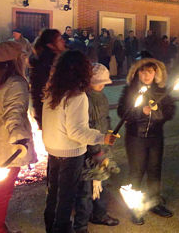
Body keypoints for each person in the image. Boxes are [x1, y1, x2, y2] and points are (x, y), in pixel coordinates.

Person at [42, 51, 117, 233]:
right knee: (66, 199)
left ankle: (51, 228)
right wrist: (101, 137)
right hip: (70, 154)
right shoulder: (77, 96)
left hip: (53, 151)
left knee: (53, 195)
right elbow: (77, 132)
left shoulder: (53, 92)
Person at [0, 41, 37, 233]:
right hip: (8, 140)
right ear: (15, 61)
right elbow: (14, 113)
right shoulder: (16, 82)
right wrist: (20, 139)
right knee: (4, 189)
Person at [117, 58, 175, 225]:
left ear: (156, 73)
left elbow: (170, 111)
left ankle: (154, 202)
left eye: (150, 71)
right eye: (143, 71)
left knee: (155, 170)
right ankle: (134, 208)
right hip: (136, 137)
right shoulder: (130, 91)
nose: (147, 75)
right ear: (137, 73)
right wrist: (141, 112)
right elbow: (123, 112)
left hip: (156, 137)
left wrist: (159, 112)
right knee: (136, 172)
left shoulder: (160, 91)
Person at [74, 64, 119, 233]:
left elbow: (105, 118)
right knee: (85, 190)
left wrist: (109, 136)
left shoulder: (102, 96)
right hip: (89, 151)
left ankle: (100, 214)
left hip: (102, 145)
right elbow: (87, 126)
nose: (102, 85)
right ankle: (81, 225)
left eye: (103, 83)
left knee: (102, 183)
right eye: (98, 82)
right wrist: (95, 150)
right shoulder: (84, 99)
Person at [29, 29, 66, 129]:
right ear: (50, 45)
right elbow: (38, 92)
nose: (63, 41)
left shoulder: (61, 59)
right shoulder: (46, 64)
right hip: (51, 113)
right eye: (59, 39)